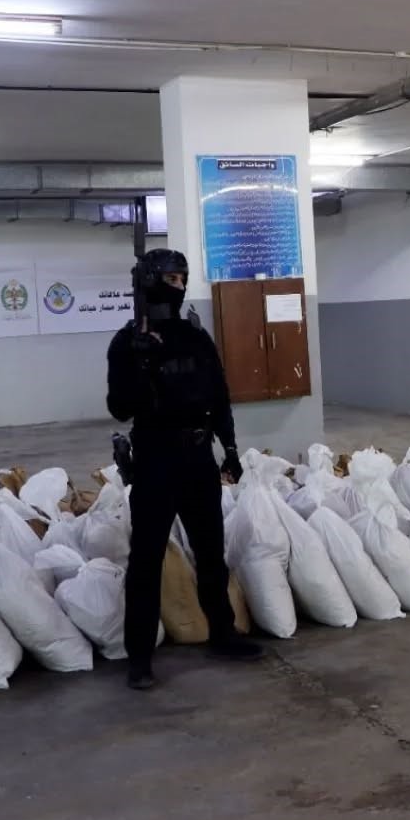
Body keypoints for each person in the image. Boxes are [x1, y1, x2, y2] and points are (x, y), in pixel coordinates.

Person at [106, 248, 264, 690]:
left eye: (182, 279)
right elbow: (119, 407)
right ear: (150, 282)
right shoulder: (126, 342)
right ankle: (139, 658)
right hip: (155, 461)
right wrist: (140, 364)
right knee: (147, 559)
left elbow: (219, 396)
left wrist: (229, 448)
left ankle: (222, 634)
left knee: (211, 552)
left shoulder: (195, 336)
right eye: (171, 279)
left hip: (197, 458)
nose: (179, 287)